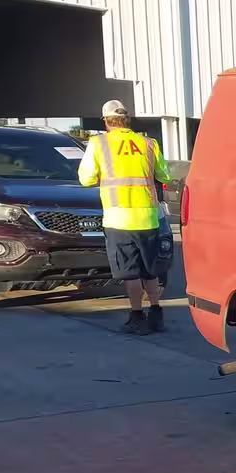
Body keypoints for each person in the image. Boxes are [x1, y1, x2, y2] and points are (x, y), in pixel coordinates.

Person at [78, 100, 173, 334]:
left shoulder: (99, 144)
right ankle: (156, 313)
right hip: (149, 217)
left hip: (118, 218)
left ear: (106, 121)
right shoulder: (149, 144)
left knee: (131, 271)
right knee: (150, 269)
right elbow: (165, 176)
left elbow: (86, 179)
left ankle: (136, 316)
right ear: (126, 119)